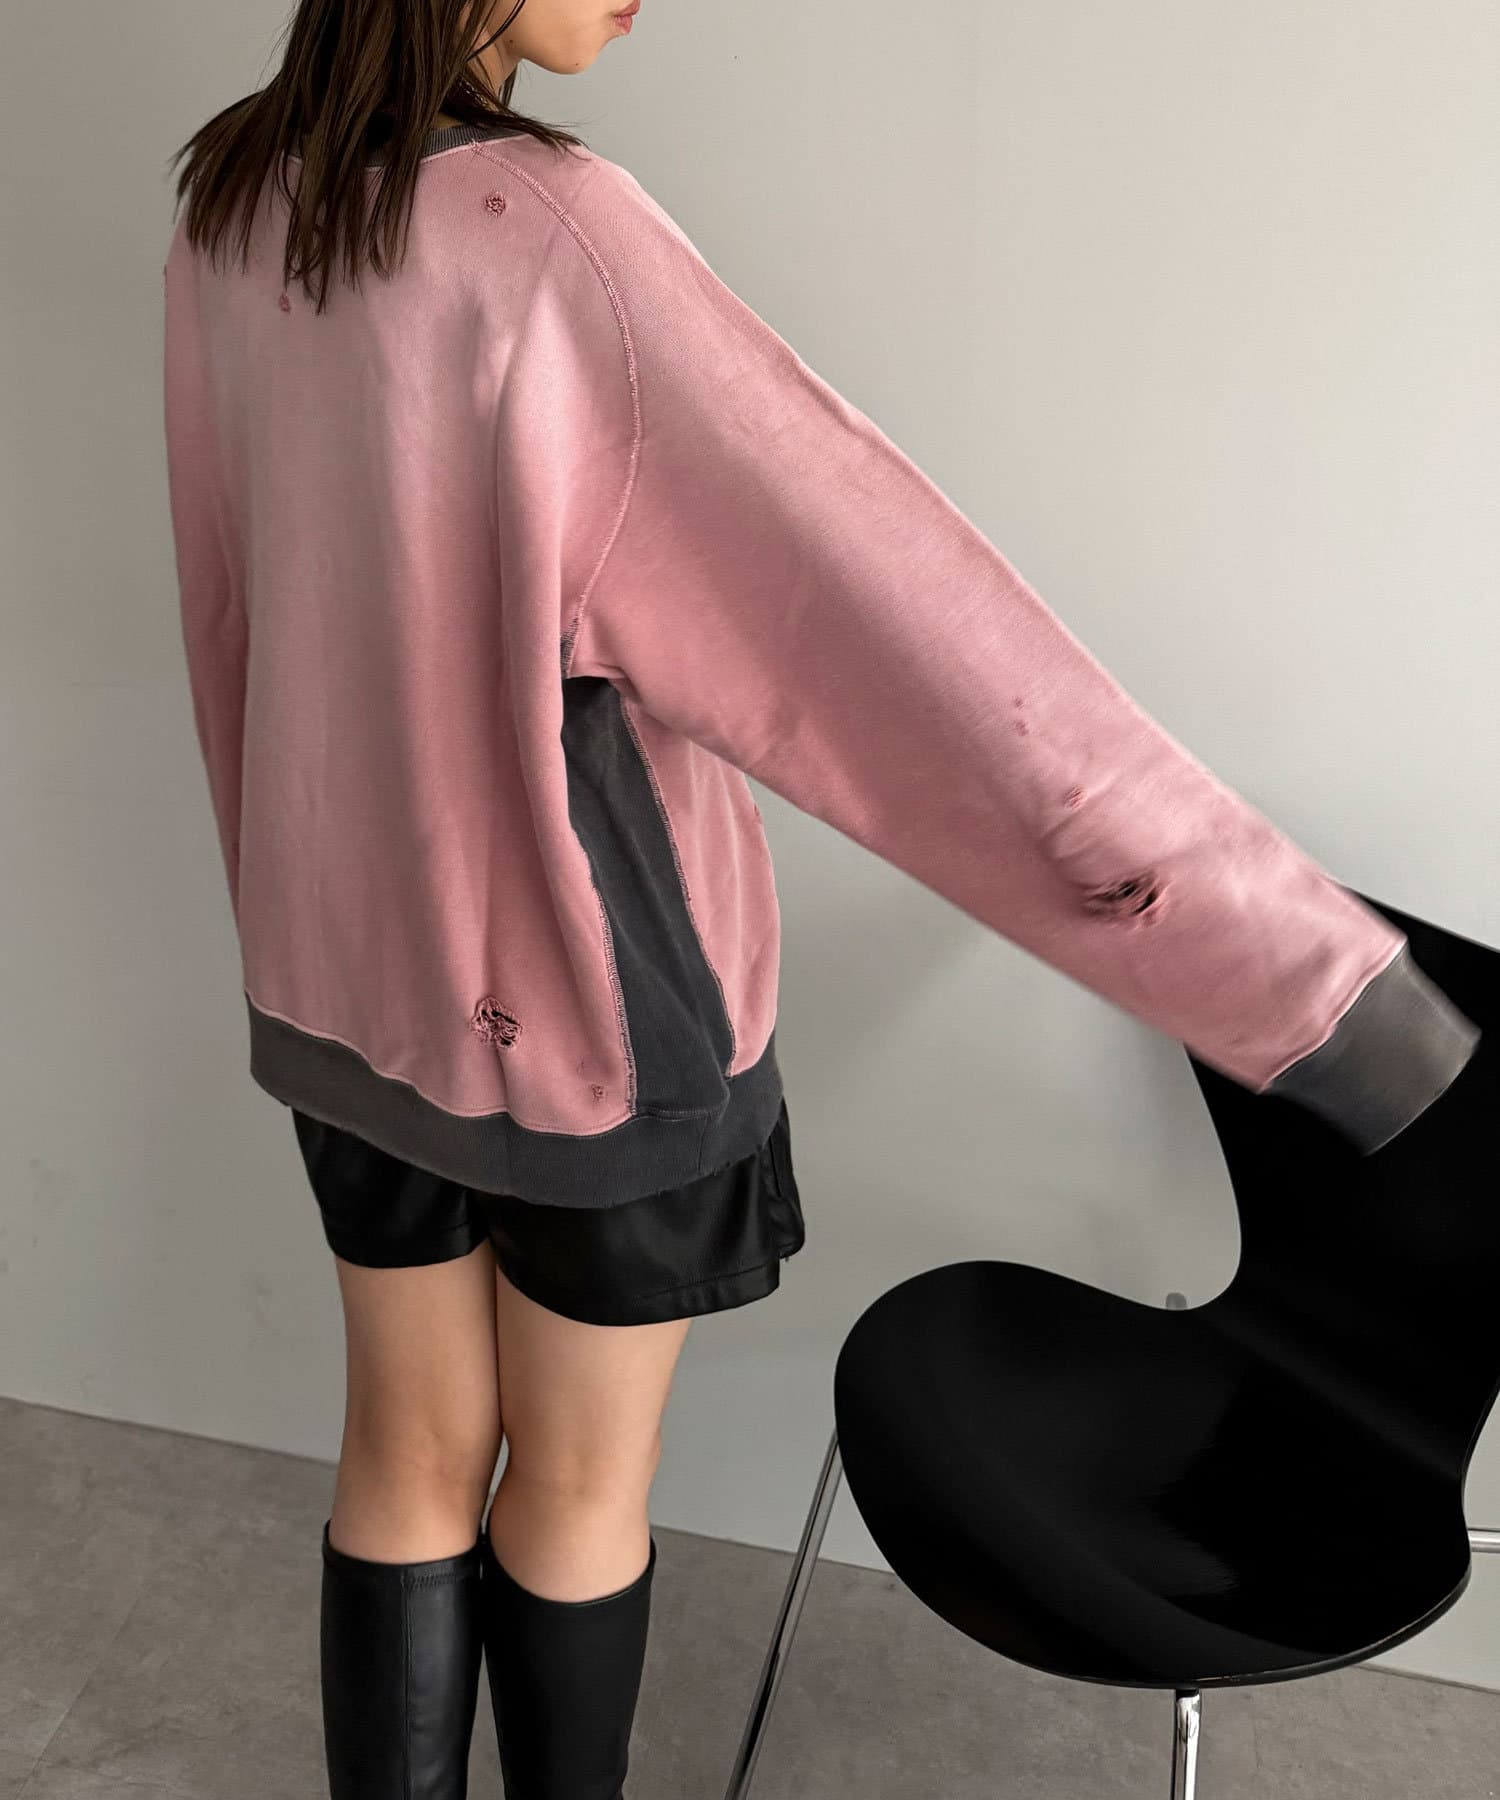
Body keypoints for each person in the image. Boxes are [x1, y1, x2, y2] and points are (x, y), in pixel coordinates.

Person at [159, 3, 1482, 1796]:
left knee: (403, 1453)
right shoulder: (561, 245)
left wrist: (286, 923)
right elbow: (927, 661)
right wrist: (1322, 994)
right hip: (594, 1025)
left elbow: (230, 612)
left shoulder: (241, 193)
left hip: (340, 985)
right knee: (577, 1488)